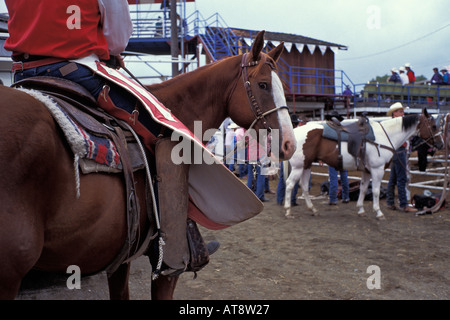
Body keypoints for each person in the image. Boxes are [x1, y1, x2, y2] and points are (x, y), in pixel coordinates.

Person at [4, 0, 216, 276]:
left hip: (23, 75)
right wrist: (109, 50)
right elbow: (118, 37)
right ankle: (174, 247)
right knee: (167, 136)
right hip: (78, 71)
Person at [385, 102, 418, 213]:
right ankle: (404, 204)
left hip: (395, 151)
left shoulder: (392, 123)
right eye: (400, 111)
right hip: (399, 150)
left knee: (393, 178)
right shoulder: (397, 123)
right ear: (394, 113)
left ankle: (390, 202)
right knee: (401, 178)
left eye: (402, 111)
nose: (402, 113)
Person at [276, 114, 301, 205]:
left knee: (283, 178)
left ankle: (280, 199)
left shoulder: (283, 131)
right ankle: (292, 199)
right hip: (292, 157)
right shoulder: (295, 133)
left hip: (284, 157)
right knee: (293, 177)